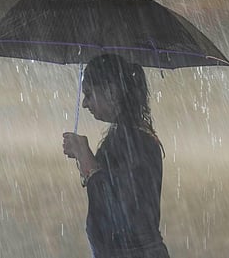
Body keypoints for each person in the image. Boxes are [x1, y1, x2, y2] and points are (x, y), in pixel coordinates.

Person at [62, 54, 170, 258]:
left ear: (111, 92)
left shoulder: (137, 142)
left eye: (89, 94)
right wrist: (84, 160)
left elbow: (119, 210)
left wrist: (85, 157)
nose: (84, 104)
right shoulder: (125, 135)